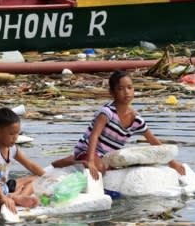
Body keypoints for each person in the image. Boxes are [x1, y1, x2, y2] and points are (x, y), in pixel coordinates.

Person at [52, 70, 186, 179]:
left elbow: (154, 141)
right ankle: (76, 160)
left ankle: (84, 160)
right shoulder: (107, 113)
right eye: (121, 89)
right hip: (89, 150)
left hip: (107, 155)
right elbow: (94, 136)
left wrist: (173, 163)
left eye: (130, 88)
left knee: (116, 168)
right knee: (100, 170)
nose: (126, 92)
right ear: (112, 92)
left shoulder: (136, 119)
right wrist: (91, 161)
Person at [0, 107, 46, 214]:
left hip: (3, 187)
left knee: (36, 178)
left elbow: (30, 165)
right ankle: (15, 198)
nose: (15, 138)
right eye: (11, 134)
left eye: (17, 133)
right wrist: (3, 198)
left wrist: (47, 177)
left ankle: (20, 196)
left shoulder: (12, 148)